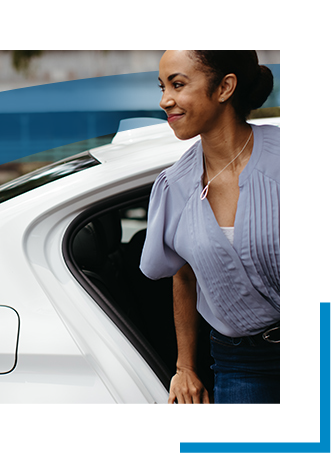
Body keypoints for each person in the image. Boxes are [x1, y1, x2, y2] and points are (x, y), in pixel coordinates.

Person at [140, 51, 279, 404]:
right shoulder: (175, 186)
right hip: (240, 362)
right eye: (163, 86)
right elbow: (184, 274)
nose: (164, 99)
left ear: (225, 87)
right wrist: (184, 368)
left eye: (178, 84)